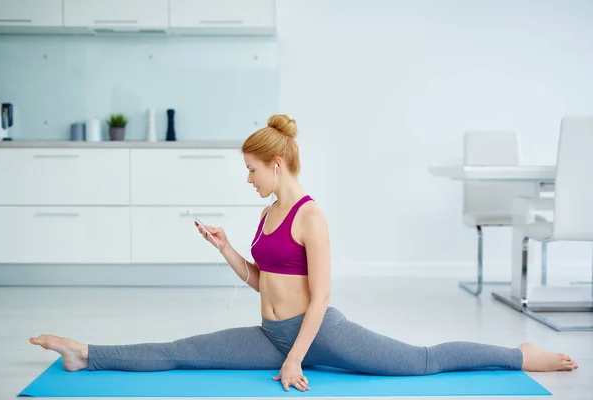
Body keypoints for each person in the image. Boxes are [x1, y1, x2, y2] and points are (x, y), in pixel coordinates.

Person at [31, 114, 578, 392]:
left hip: (318, 332)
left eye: (250, 169)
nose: (246, 178)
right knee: (181, 349)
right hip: (269, 335)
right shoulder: (267, 214)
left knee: (422, 362)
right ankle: (87, 352)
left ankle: (522, 355)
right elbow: (261, 282)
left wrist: (296, 357)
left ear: (276, 165)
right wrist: (225, 249)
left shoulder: (310, 215)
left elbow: (319, 299)